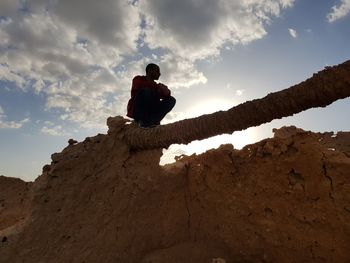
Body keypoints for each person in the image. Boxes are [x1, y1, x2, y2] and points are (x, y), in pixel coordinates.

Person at [126, 63, 176, 128]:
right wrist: (158, 87)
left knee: (171, 100)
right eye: (157, 71)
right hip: (138, 112)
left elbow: (167, 96)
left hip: (152, 112)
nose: (159, 74)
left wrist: (166, 91)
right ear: (150, 71)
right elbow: (139, 85)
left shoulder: (157, 87)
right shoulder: (138, 79)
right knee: (147, 91)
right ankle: (144, 121)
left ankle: (152, 121)